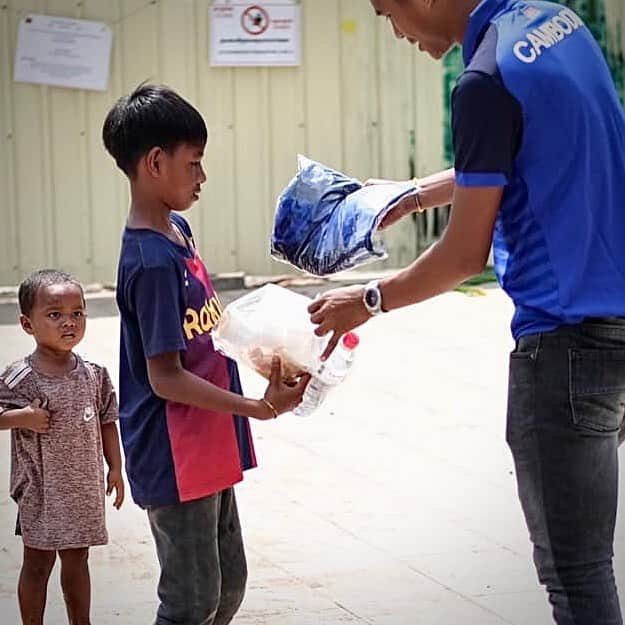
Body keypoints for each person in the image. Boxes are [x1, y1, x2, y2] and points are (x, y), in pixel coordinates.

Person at [309, 1, 625, 624]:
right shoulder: (554, 22)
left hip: (563, 350)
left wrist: (367, 300)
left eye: (387, 13)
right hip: (616, 322)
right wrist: (416, 193)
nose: (396, 32)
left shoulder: (483, 81)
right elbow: (532, 149)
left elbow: (462, 254)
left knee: (577, 576)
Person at [102, 84, 309, 625]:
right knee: (190, 602)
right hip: (174, 449)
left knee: (228, 587)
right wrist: (260, 409)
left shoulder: (178, 231)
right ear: (154, 163)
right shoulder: (148, 261)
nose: (202, 176)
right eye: (193, 163)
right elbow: (166, 378)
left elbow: (203, 327)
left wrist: (271, 350)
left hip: (208, 435)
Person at [0, 269, 124, 625]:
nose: (68, 322)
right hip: (41, 490)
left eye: (77, 313)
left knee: (77, 559)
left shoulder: (94, 373)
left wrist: (115, 467)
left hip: (82, 489)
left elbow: (106, 420)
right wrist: (21, 417)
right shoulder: (20, 376)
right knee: (38, 563)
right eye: (54, 315)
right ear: (28, 324)